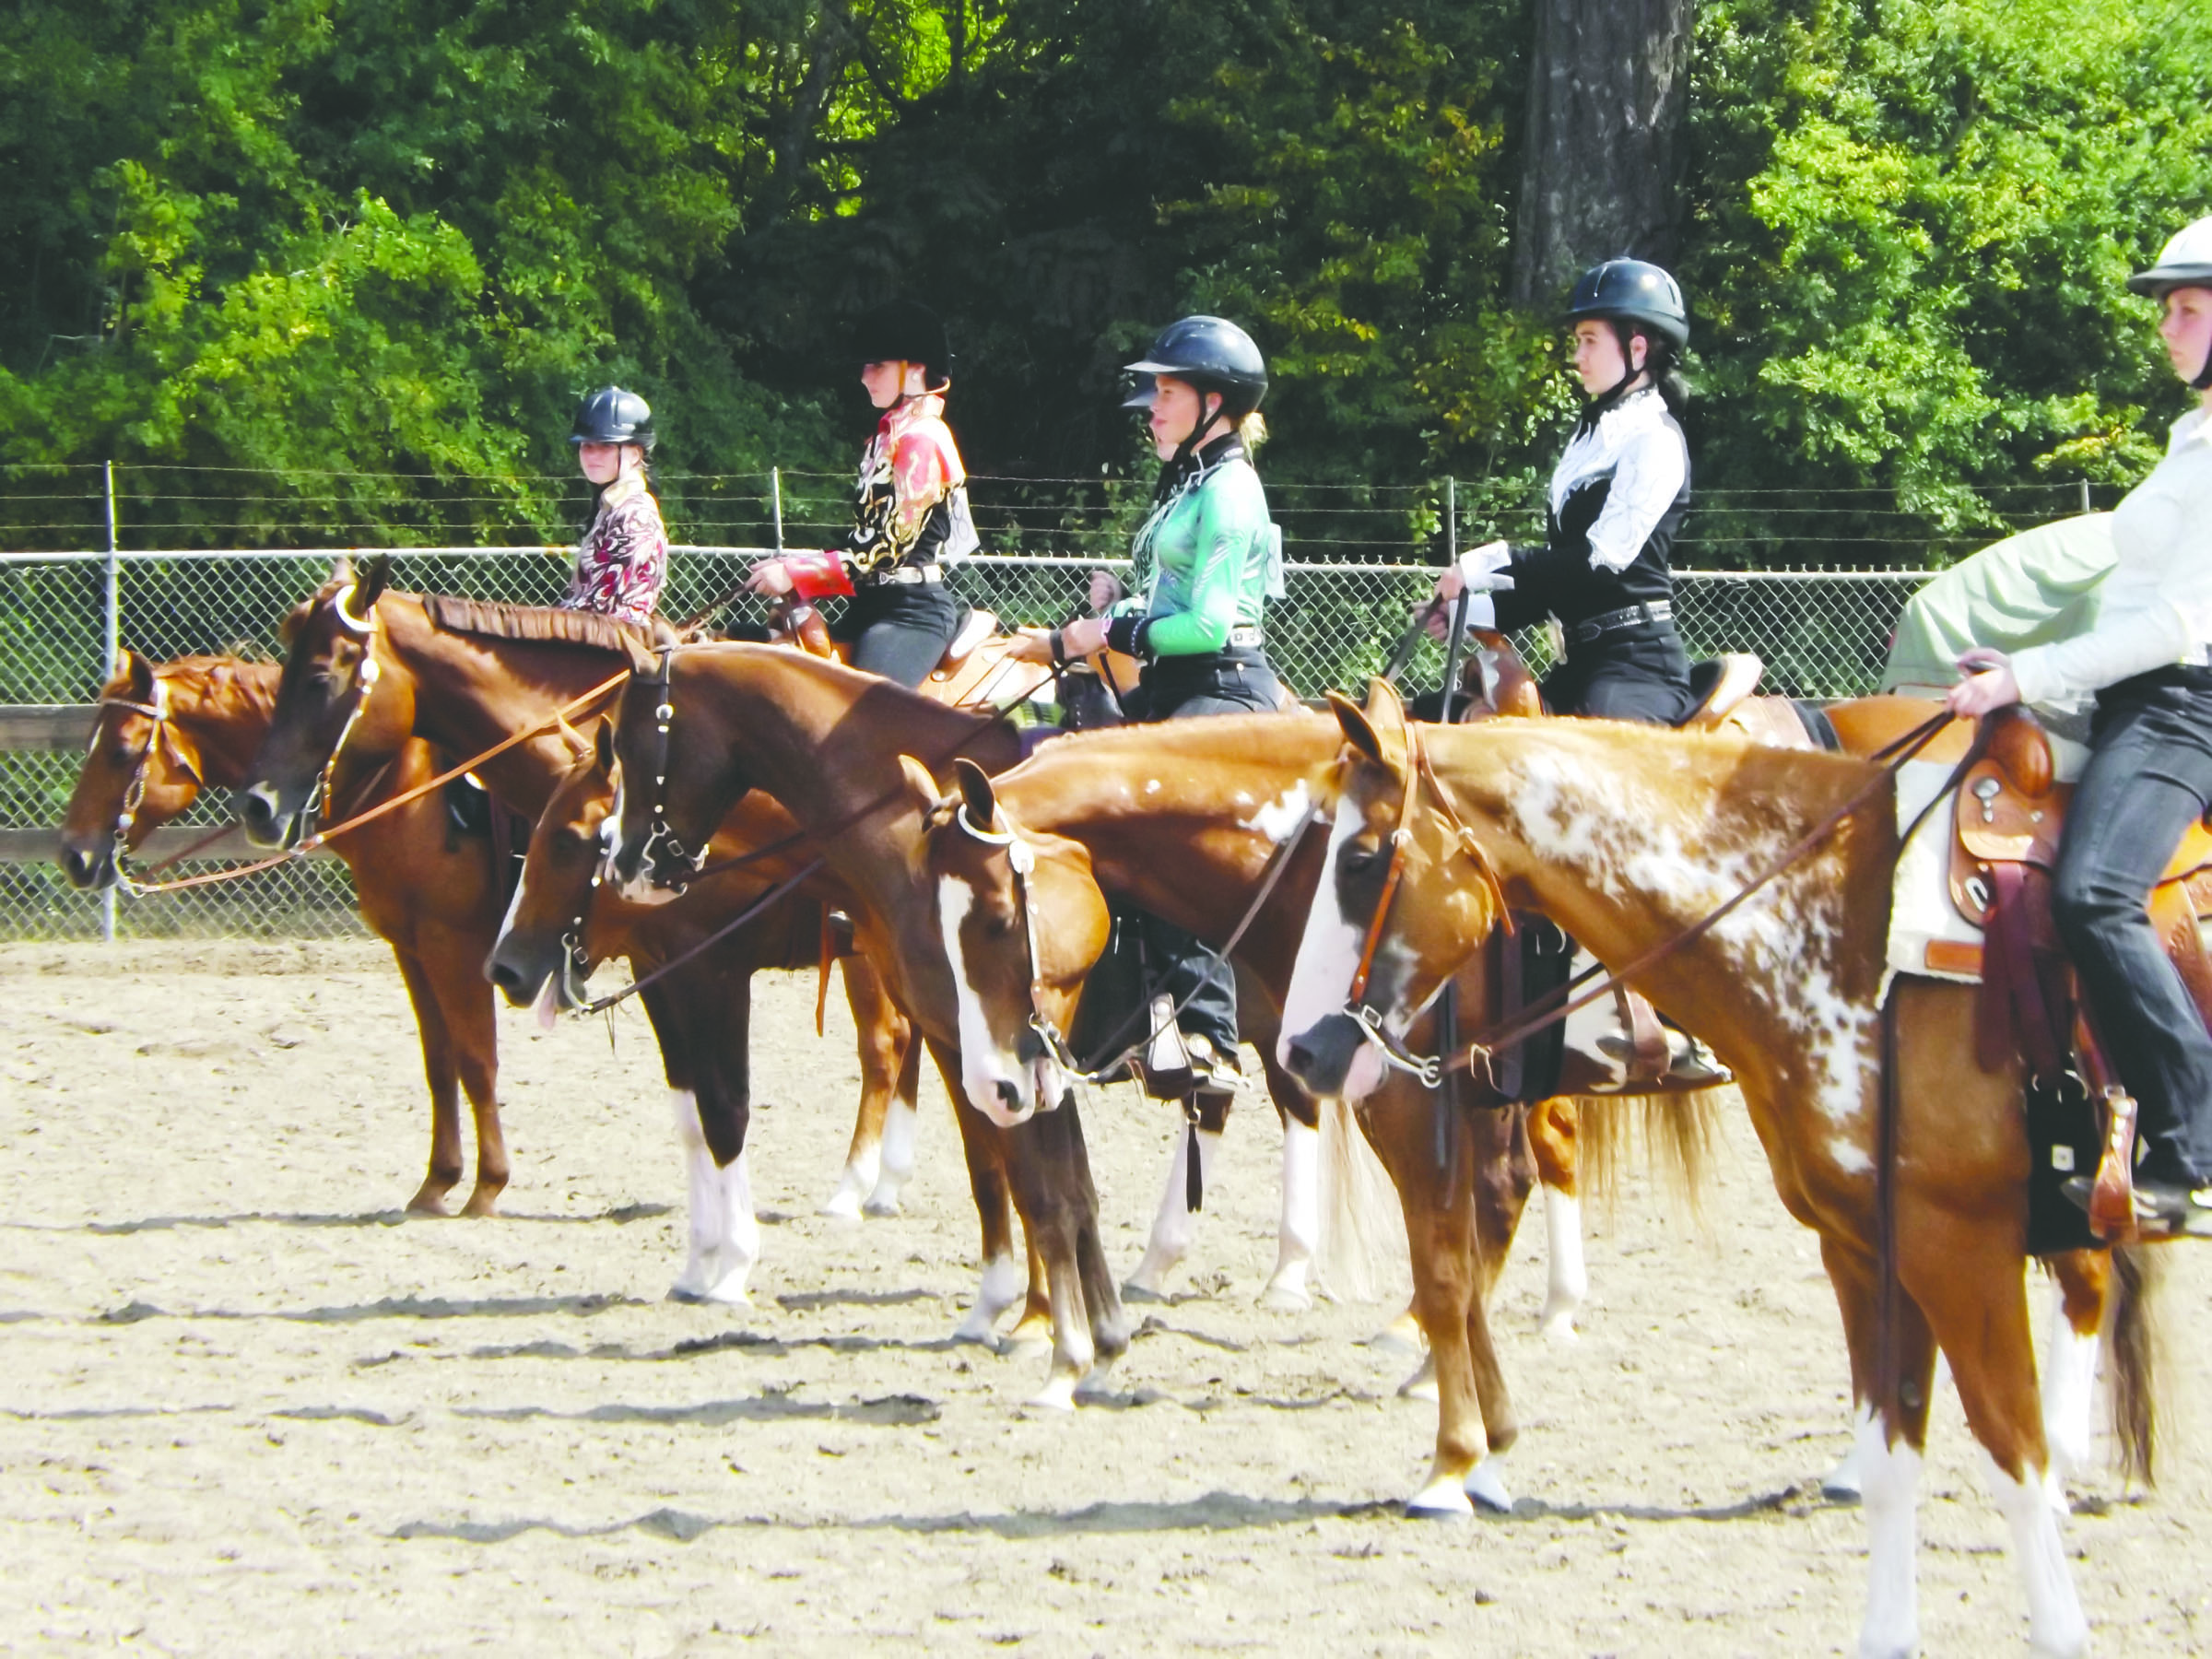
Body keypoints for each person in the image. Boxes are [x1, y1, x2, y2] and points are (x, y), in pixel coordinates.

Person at [1948, 216, 2212, 1235]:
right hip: (2136, 696)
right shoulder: (2190, 437)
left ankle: (2191, 1143)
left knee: (2099, 894)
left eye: (2188, 309)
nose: (2169, 327)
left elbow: (2177, 624)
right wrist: (2037, 690)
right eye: (2168, 310)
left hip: (2185, 707)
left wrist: (2029, 671)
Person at [1009, 315, 1285, 1092]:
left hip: (1223, 687)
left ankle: (1209, 1035)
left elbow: (1205, 624)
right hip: (1175, 684)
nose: (1152, 406)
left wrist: (1109, 626)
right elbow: (1172, 596)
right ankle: (1122, 1020)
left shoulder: (1231, 490)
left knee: (1160, 825)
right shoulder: (1191, 480)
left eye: (1166, 391)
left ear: (1215, 400)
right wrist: (1097, 617)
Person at [1432, 258, 1696, 724]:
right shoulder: (1590, 438)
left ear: (1637, 348)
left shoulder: (1655, 439)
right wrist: (1465, 612)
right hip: (1579, 666)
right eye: (1577, 342)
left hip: (1637, 671)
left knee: (1592, 756)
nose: (1578, 357)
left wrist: (1482, 562)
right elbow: (1559, 581)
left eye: (1589, 341)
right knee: (1441, 715)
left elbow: (1596, 566)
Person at [744, 300, 979, 688]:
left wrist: (796, 573)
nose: (865, 376)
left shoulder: (921, 441)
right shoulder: (883, 440)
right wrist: (801, 562)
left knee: (857, 721)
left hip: (911, 614)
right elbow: (863, 540)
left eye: (878, 366)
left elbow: (886, 548)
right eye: (865, 366)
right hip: (870, 606)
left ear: (915, 370)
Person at [562, 385, 669, 625]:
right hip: (594, 635)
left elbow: (601, 603)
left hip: (616, 643)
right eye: (587, 446)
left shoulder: (635, 515)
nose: (593, 455)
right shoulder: (611, 507)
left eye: (606, 447)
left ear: (635, 454)